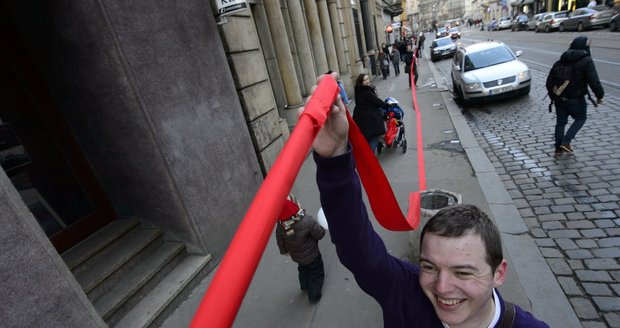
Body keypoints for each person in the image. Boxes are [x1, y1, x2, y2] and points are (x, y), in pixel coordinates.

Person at [301, 76, 550, 327]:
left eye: (462, 272)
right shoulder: (407, 293)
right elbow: (357, 247)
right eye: (429, 267)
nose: (442, 288)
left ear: (499, 273)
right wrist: (334, 157)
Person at [548, 36, 604, 154]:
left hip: (559, 98)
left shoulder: (561, 60)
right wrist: (599, 95)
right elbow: (593, 81)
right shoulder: (586, 60)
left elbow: (549, 81)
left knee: (560, 123)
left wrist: (553, 96)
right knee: (581, 118)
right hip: (576, 98)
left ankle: (558, 148)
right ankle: (566, 141)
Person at [275, 194, 326, 303]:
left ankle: (304, 286)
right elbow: (319, 234)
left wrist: (284, 252)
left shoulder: (281, 227)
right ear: (295, 206)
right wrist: (322, 229)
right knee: (315, 273)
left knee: (303, 270)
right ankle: (314, 295)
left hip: (297, 256)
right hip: (312, 256)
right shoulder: (307, 221)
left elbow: (280, 242)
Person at [352, 73, 389, 152]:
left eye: (367, 79)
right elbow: (377, 101)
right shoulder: (366, 92)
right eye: (364, 80)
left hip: (360, 116)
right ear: (361, 82)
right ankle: (370, 156)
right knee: (374, 137)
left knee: (367, 137)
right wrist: (387, 106)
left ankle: (367, 154)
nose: (367, 81)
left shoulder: (358, 90)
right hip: (369, 118)